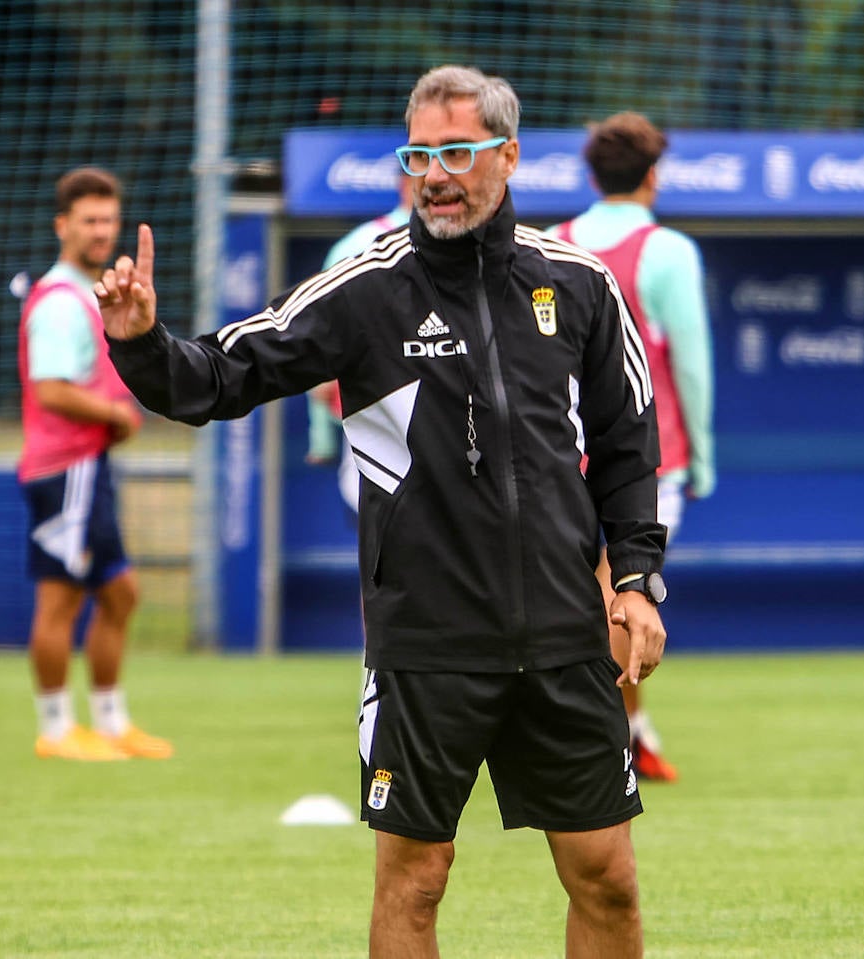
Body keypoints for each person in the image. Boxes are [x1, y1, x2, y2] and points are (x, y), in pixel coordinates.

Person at [98, 65, 669, 957]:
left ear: (509, 156)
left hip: (563, 634)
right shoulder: (365, 289)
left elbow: (629, 440)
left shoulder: (579, 283)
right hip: (425, 646)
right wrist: (140, 342)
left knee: (608, 877)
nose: (435, 175)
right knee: (416, 879)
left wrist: (633, 578)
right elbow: (224, 373)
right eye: (418, 156)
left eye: (457, 152)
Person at [551, 112, 716, 782]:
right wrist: (702, 454)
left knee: (586, 594)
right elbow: (692, 365)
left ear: (592, 176)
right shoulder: (669, 250)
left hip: (561, 454)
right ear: (653, 176)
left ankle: (630, 728)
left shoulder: (552, 244)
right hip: (649, 455)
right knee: (622, 587)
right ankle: (604, 741)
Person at [17, 166, 172, 762]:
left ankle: (110, 723)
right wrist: (116, 414)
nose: (102, 231)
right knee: (61, 600)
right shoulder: (61, 302)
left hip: (86, 467)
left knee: (120, 594)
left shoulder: (87, 294)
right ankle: (56, 730)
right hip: (65, 470)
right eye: (89, 221)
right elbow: (51, 388)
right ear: (63, 226)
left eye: (109, 220)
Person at [306, 174, 416, 512]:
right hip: (375, 421)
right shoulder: (359, 245)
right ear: (404, 182)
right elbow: (321, 344)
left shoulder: (463, 244)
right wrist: (321, 439)